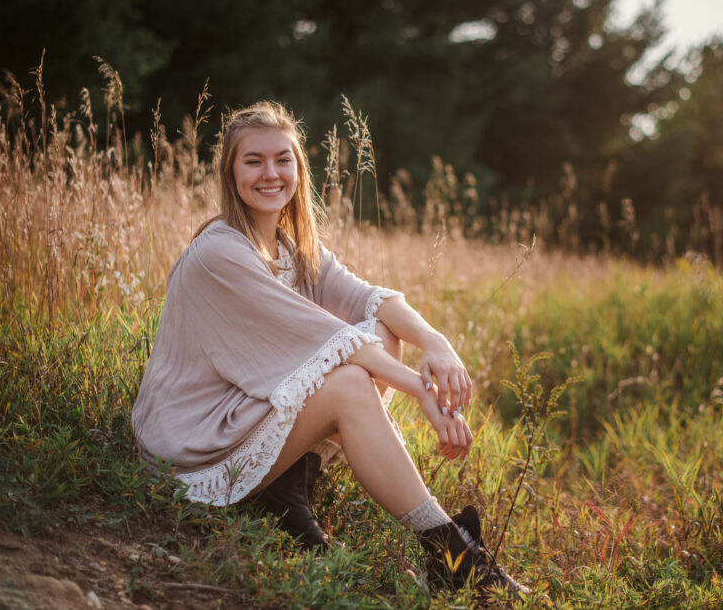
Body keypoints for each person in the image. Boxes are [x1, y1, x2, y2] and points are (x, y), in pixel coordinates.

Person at [131, 101, 527, 597]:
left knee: (382, 331)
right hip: (193, 438)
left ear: (299, 167)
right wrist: (422, 391)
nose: (270, 173)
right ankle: (449, 549)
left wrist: (436, 342)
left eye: (283, 159)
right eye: (253, 161)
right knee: (345, 381)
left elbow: (369, 299)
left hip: (241, 410)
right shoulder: (220, 252)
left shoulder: (290, 248)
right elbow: (332, 341)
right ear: (230, 171)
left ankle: (288, 492)